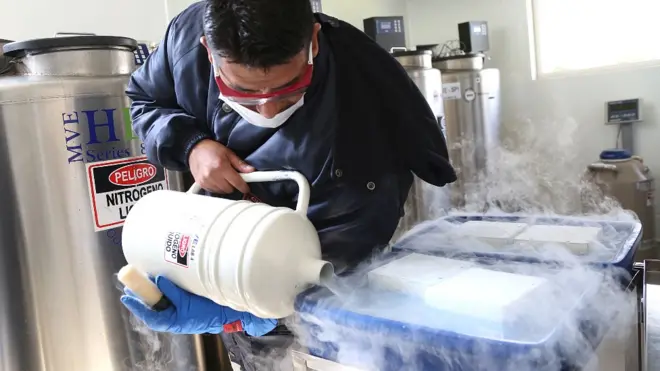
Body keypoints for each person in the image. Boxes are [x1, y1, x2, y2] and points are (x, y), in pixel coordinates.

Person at [121, 0, 456, 370]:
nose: (266, 110)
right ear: (208, 51)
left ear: (313, 42)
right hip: (224, 250)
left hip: (301, 304)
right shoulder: (185, 38)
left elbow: (328, 275)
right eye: (242, 91)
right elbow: (144, 99)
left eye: (287, 91)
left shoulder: (361, 127)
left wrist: (244, 313)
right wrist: (191, 146)